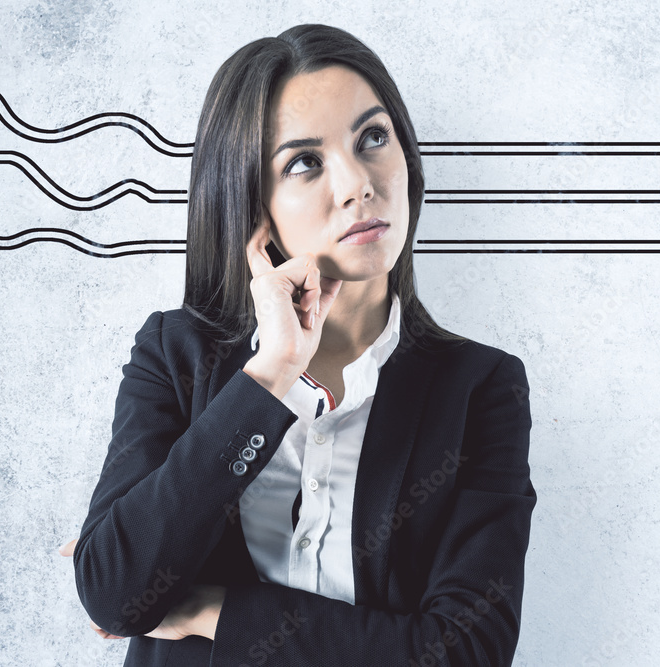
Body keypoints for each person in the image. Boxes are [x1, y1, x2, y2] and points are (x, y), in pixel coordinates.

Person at [60, 23, 536, 666]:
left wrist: (214, 611)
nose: (356, 184)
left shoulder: (480, 388)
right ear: (254, 206)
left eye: (373, 138)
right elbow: (115, 593)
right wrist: (272, 372)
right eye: (304, 162)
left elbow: (466, 652)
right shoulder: (175, 357)